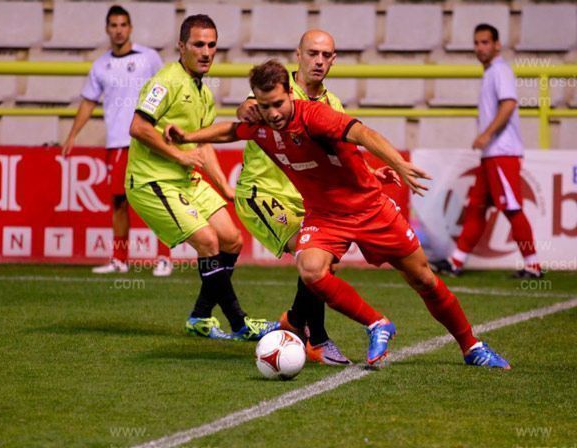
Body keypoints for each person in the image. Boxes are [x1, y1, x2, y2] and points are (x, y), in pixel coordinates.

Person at [167, 59, 511, 369]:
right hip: (324, 216)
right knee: (311, 269)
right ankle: (377, 324)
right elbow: (231, 130)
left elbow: (363, 133)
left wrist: (397, 163)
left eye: (278, 104)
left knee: (423, 279)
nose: (272, 113)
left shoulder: (315, 116)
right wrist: (187, 136)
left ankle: (471, 346)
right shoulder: (263, 125)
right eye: (265, 106)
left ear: (291, 93)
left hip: (370, 209)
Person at [230, 30, 397, 366]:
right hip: (263, 194)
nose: (318, 61)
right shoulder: (277, 91)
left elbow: (342, 148)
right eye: (312, 54)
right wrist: (244, 107)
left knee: (322, 262)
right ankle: (316, 338)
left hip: (305, 200)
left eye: (325, 55)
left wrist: (370, 171)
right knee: (310, 254)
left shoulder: (331, 104)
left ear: (333, 60)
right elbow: (246, 108)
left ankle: (294, 320)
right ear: (299, 55)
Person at [126, 15, 278, 340]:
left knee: (231, 239)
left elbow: (202, 143)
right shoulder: (167, 81)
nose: (206, 51)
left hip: (184, 178)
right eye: (198, 44)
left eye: (211, 45)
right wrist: (180, 155)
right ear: (181, 46)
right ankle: (239, 322)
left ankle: (199, 317)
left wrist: (224, 186)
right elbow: (138, 127)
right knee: (208, 241)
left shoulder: (204, 91)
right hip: (153, 180)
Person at [62, 5, 173, 277]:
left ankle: (164, 258)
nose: (118, 30)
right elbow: (88, 102)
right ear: (107, 29)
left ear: (130, 27)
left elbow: (166, 88)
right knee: (119, 202)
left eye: (123, 24)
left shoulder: (149, 58)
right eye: (113, 25)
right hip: (116, 143)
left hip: (147, 139)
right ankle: (120, 259)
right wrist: (73, 135)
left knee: (157, 199)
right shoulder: (101, 65)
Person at [431, 23, 542, 279]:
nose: (480, 47)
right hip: (491, 155)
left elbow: (509, 104)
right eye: (477, 42)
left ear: (497, 44)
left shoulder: (500, 71)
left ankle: (533, 266)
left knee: (512, 208)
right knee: (476, 208)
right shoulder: (491, 72)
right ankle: (456, 262)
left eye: (485, 42)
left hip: (502, 152)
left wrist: (486, 134)